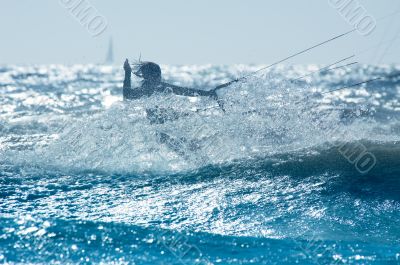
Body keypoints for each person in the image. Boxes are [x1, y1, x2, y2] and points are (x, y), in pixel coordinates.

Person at [123, 59, 219, 101]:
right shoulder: (149, 88)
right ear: (147, 76)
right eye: (155, 75)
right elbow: (127, 95)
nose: (158, 77)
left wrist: (207, 93)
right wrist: (127, 73)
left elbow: (185, 92)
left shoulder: (156, 87)